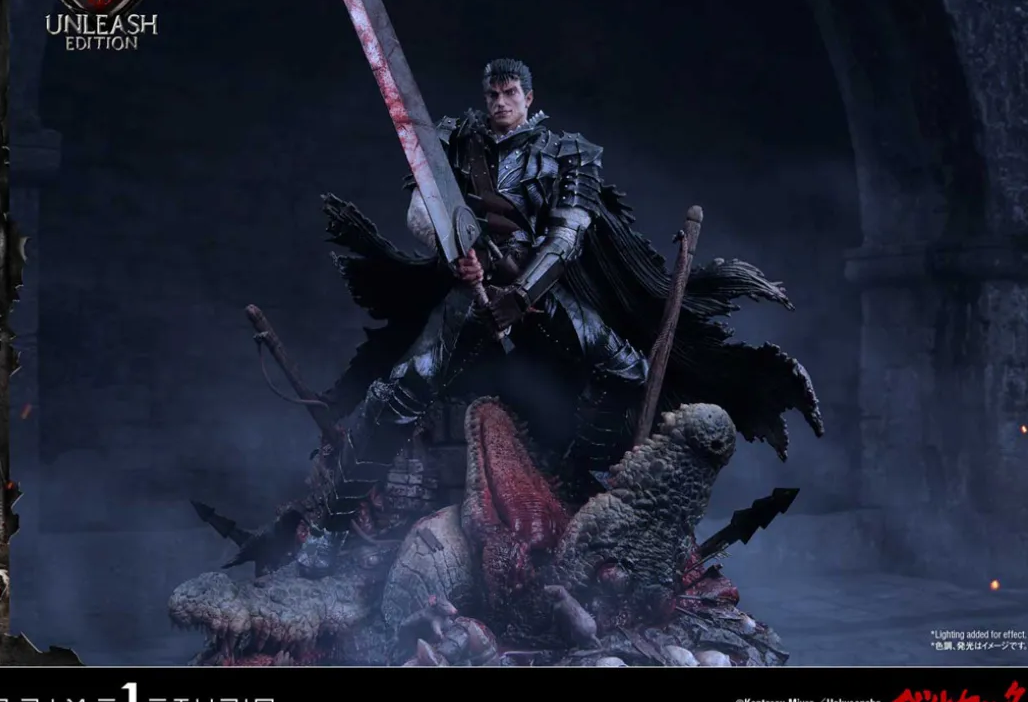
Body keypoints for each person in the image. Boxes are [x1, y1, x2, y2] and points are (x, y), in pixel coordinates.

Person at [296, 59, 824, 577]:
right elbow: (423, 207)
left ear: (529, 98)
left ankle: (574, 476)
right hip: (470, 286)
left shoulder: (567, 153)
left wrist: (521, 293)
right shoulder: (455, 139)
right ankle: (330, 530)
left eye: (510, 94)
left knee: (627, 370)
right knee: (402, 390)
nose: (501, 103)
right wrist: (452, 251)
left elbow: (568, 233)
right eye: (493, 94)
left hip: (539, 287)